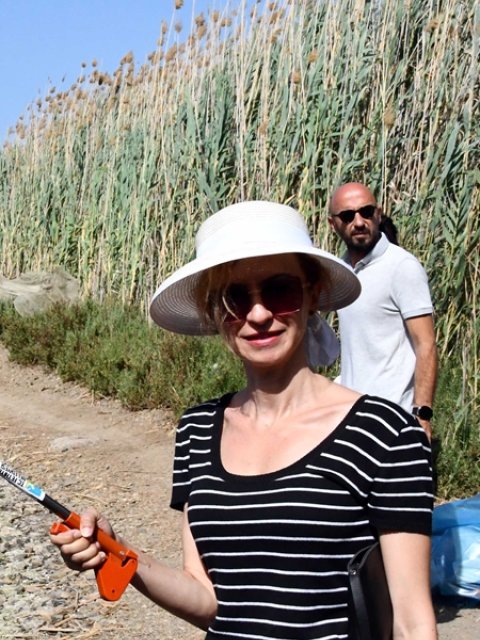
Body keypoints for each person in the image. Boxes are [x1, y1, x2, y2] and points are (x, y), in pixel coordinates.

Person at [51, 201, 437, 638]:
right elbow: (208, 598)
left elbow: (411, 621)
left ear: (311, 294)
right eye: (236, 298)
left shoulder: (385, 433)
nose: (258, 315)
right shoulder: (197, 430)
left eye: (279, 291)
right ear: (215, 313)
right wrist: (118, 554)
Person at [326, 183, 438, 438]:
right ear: (333, 224)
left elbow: (426, 344)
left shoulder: (401, 267)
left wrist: (422, 415)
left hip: (394, 418)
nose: (359, 221)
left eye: (366, 212)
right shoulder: (341, 271)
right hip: (353, 414)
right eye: (347, 216)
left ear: (378, 213)